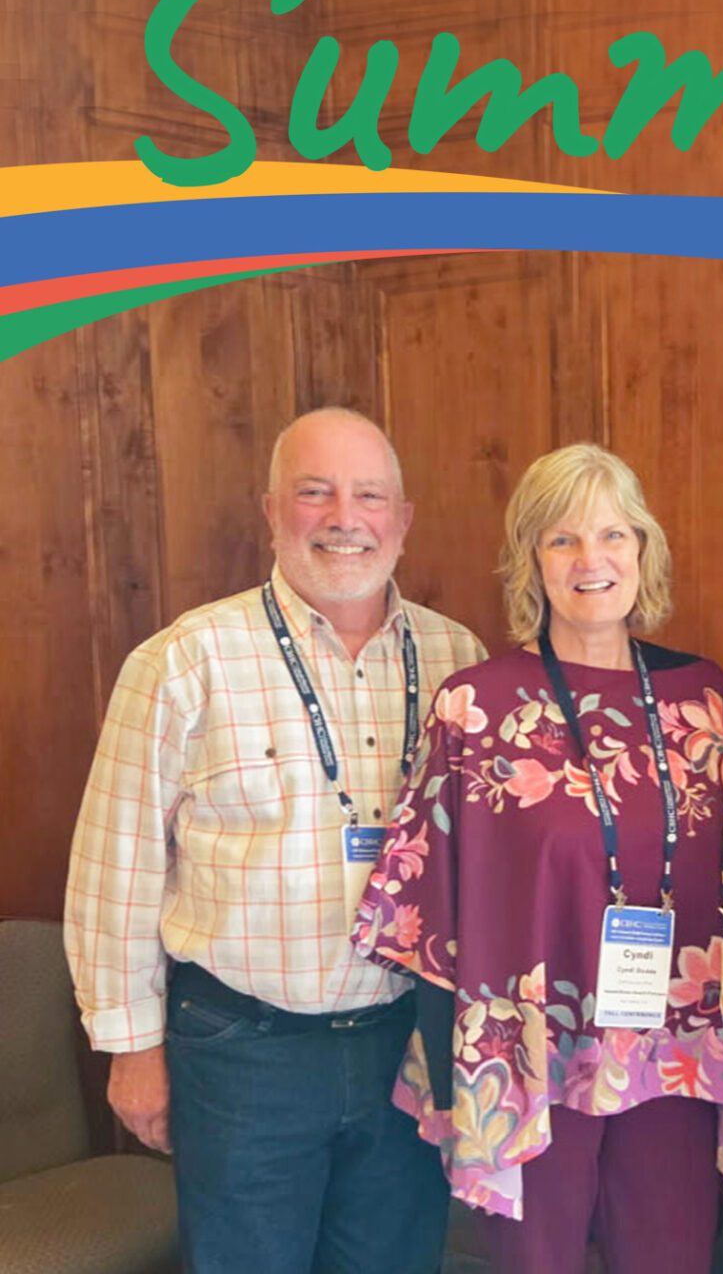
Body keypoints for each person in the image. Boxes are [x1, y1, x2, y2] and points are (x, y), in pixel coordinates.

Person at [64, 406, 485, 1274]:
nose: (343, 517)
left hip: (407, 1046)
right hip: (244, 1053)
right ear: (270, 510)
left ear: (402, 519)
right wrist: (132, 1051)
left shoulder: (458, 661)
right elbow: (114, 868)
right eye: (314, 492)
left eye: (369, 494)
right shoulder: (184, 662)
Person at [352, 443, 723, 1274]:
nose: (591, 559)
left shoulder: (707, 699)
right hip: (525, 1056)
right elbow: (426, 909)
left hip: (671, 1045)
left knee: (673, 1259)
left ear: (644, 550)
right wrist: (458, 1085)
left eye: (613, 535)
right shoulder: (476, 707)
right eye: (563, 539)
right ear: (532, 560)